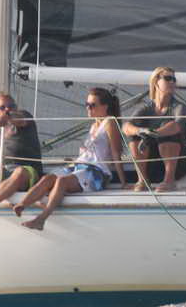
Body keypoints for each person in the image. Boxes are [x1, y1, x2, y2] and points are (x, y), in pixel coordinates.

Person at [14, 88, 126, 230]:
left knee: (61, 181)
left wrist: (123, 182)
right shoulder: (93, 126)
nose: (88, 108)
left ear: (105, 106)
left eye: (92, 105)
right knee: (48, 179)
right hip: (80, 166)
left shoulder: (110, 123)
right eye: (87, 104)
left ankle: (41, 219)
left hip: (96, 172)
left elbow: (116, 152)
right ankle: (22, 205)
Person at [123, 66, 186, 192]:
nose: (172, 82)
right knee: (135, 136)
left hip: (179, 165)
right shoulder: (146, 108)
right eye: (168, 78)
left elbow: (177, 125)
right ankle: (142, 181)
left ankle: (169, 181)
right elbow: (126, 127)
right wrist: (141, 132)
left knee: (168, 130)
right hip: (152, 166)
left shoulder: (179, 107)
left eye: (174, 79)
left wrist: (153, 134)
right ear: (156, 82)